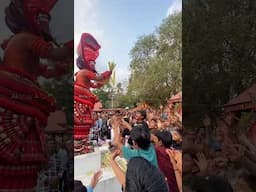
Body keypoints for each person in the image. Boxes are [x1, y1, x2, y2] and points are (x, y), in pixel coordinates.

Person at [0, 0, 73, 190]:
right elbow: (57, 53)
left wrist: (57, 71)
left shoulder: (19, 42)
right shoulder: (25, 39)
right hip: (17, 96)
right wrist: (73, 45)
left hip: (22, 98)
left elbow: (42, 71)